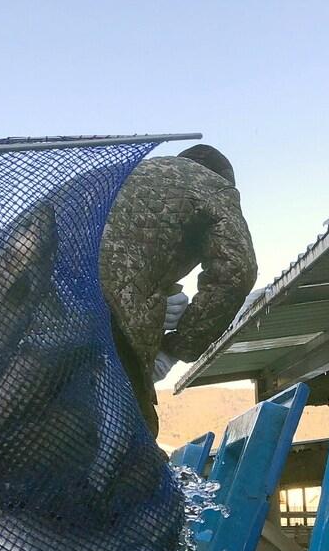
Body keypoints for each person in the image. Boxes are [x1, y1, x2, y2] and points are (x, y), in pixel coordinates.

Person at [99, 144, 257, 436]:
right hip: (112, 312)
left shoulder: (135, 176)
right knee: (130, 436)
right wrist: (177, 348)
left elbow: (133, 245)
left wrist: (164, 297)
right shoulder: (213, 186)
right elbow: (236, 270)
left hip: (46, 291)